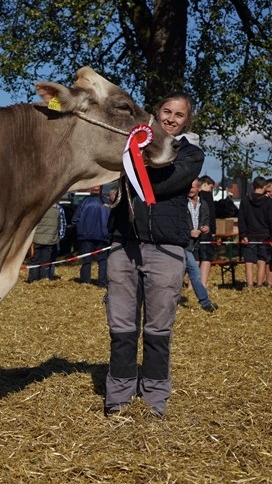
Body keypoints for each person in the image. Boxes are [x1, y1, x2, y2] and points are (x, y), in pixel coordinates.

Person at [104, 91, 204, 418]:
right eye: (166, 111)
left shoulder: (191, 154)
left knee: (158, 330)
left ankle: (154, 398)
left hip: (166, 249)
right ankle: (118, 396)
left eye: (179, 115)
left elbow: (167, 184)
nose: (171, 119)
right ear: (157, 113)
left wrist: (134, 167)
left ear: (186, 121)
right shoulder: (131, 144)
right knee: (121, 327)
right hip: (124, 245)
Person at [184, 178, 217, 311]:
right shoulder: (181, 203)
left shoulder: (204, 204)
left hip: (194, 244)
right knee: (194, 271)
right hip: (182, 243)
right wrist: (189, 232)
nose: (191, 189)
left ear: (198, 188)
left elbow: (206, 220)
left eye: (193, 187)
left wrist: (205, 228)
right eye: (188, 186)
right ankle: (205, 303)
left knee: (187, 272)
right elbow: (176, 224)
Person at [71, 185, 110, 287]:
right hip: (103, 236)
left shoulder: (85, 202)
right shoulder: (107, 202)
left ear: (90, 189)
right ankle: (102, 282)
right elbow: (111, 220)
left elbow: (75, 220)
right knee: (103, 260)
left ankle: (85, 281)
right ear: (101, 189)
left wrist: (81, 228)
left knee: (86, 260)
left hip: (86, 236)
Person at [237, 176, 272, 288]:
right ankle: (259, 285)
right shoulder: (268, 201)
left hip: (249, 235)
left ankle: (250, 285)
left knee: (249, 262)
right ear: (265, 187)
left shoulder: (245, 200)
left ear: (253, 186)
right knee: (262, 261)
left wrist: (243, 234)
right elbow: (271, 219)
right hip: (265, 235)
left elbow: (241, 219)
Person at [27, 203, 62, 283]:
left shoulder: (38, 211)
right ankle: (44, 279)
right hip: (49, 241)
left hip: (36, 239)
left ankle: (33, 280)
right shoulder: (56, 211)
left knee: (34, 261)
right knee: (45, 262)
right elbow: (59, 226)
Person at [196, 175, 217, 287]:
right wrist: (213, 231)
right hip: (206, 232)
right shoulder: (207, 196)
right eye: (211, 187)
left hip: (195, 230)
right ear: (205, 184)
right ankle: (202, 284)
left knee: (195, 257)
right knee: (206, 257)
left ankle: (192, 285)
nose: (211, 190)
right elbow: (211, 215)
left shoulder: (194, 196)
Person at [48, 201, 67, 280]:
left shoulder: (42, 208)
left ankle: (42, 276)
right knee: (52, 259)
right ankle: (49, 276)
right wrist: (60, 236)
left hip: (42, 238)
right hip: (54, 238)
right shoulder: (59, 208)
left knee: (40, 258)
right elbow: (63, 224)